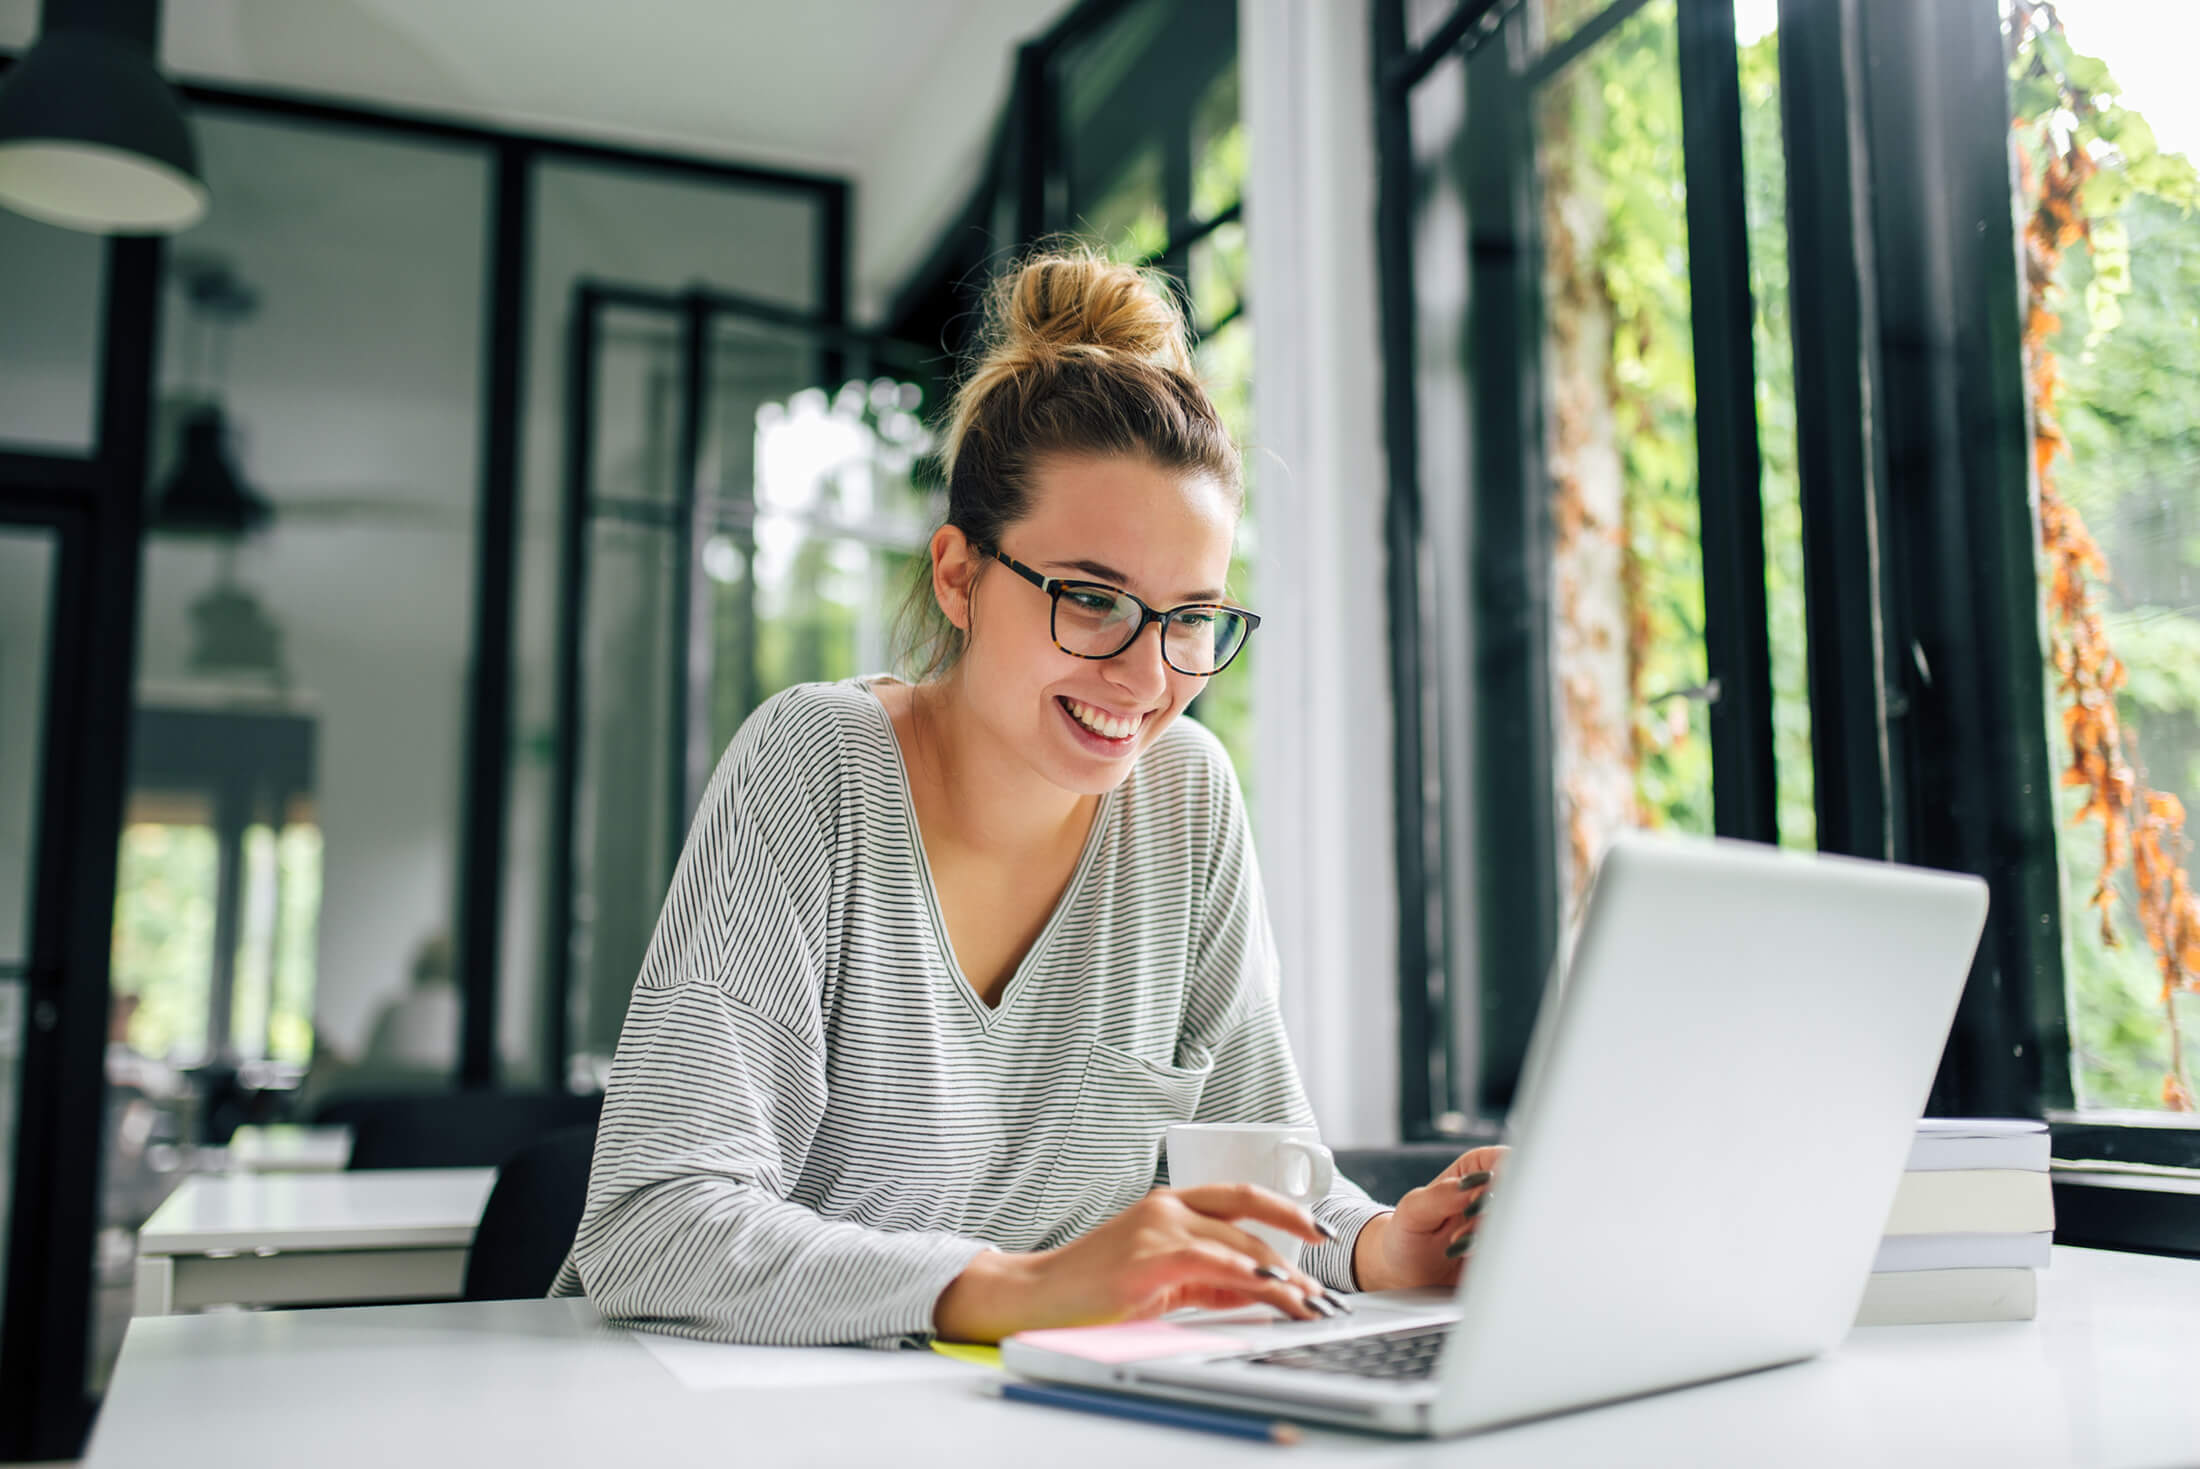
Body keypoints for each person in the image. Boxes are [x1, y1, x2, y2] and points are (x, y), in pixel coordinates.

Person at [552, 249, 1502, 1347]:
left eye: (1190, 616)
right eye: (1093, 599)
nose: (1147, 680)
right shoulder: (816, 766)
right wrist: (1016, 1287)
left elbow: (1263, 1193)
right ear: (958, 575)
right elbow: (652, 1221)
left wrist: (1387, 1246)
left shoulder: (1185, 802)